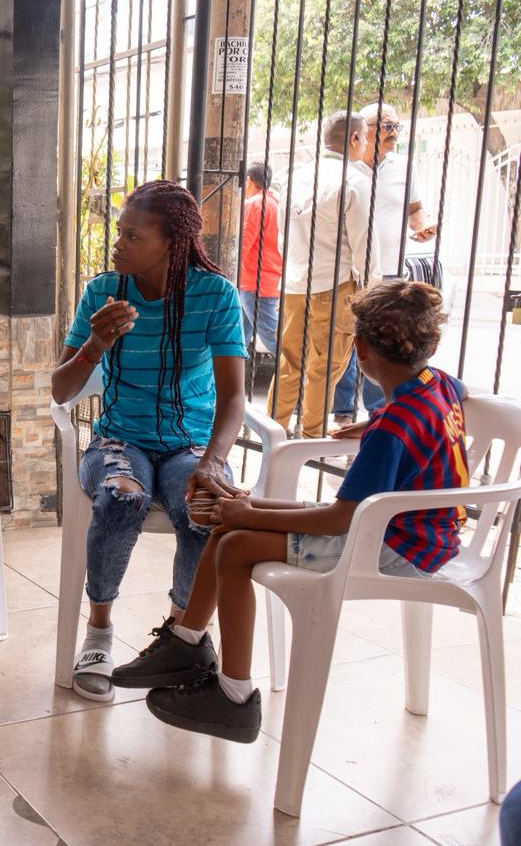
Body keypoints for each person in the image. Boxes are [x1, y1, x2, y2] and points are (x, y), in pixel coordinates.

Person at [111, 281, 466, 742]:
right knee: (232, 520)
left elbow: (340, 520)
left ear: (358, 347)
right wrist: (379, 417)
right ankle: (187, 643)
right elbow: (454, 397)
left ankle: (234, 697)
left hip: (395, 548)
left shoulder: (394, 429)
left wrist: (249, 516)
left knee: (236, 543)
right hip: (408, 530)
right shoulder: (436, 385)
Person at [50, 180, 248, 702]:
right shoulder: (102, 292)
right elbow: (61, 389)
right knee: (122, 496)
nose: (117, 245)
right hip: (119, 439)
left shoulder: (214, 295)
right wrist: (96, 343)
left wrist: (213, 462)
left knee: (206, 509)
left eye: (132, 235)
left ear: (171, 243)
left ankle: (183, 634)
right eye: (119, 232)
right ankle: (98, 633)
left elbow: (233, 400)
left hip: (189, 446)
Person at [269, 110, 380, 439]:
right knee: (326, 365)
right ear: (355, 139)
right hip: (334, 283)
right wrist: (370, 291)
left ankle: (273, 433)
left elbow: (279, 235)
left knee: (289, 362)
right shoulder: (355, 181)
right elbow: (364, 247)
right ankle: (311, 436)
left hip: (293, 281)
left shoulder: (295, 176)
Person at [332, 102, 441, 429]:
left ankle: (380, 415)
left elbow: (414, 209)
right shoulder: (347, 169)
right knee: (349, 339)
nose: (394, 133)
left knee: (385, 339)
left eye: (397, 127)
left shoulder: (403, 167)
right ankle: (342, 411)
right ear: (363, 132)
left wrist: (422, 224)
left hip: (390, 270)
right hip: (350, 270)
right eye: (387, 127)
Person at [238, 161, 282, 355]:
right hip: (268, 279)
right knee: (238, 338)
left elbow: (244, 244)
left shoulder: (254, 204)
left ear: (248, 181)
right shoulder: (274, 203)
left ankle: (298, 380)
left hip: (254, 281)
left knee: (274, 341)